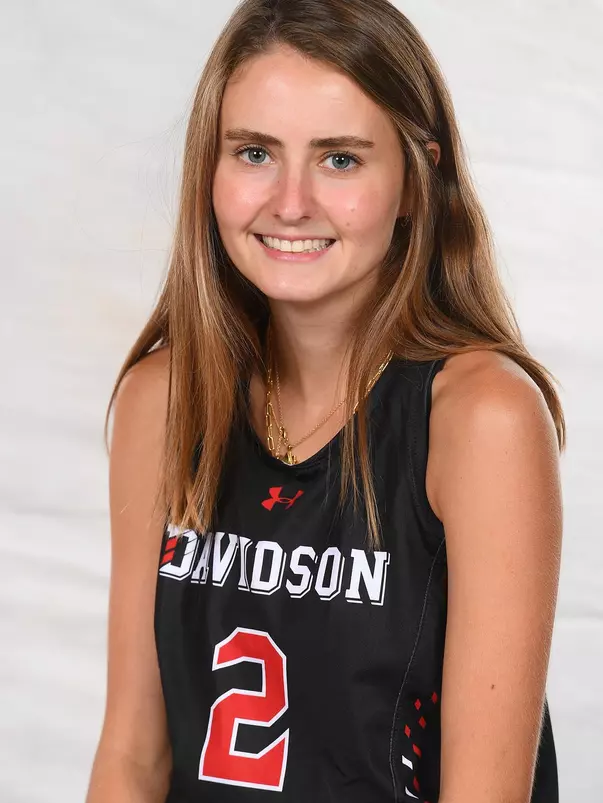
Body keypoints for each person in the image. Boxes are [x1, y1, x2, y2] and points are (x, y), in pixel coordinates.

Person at [85, 1, 564, 801]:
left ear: (416, 180)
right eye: (254, 153)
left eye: (339, 159)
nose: (291, 201)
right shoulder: (161, 398)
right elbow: (133, 757)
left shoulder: (480, 419)